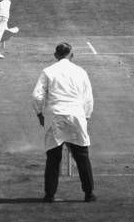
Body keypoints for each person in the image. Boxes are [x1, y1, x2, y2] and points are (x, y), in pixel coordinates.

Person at [32, 43, 96, 203]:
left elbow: (37, 96)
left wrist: (40, 114)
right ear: (71, 55)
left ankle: (49, 194)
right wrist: (86, 117)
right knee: (82, 156)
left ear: (55, 55)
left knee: (53, 158)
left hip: (55, 116)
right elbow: (88, 98)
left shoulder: (48, 71)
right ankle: (89, 193)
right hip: (76, 115)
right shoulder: (81, 71)